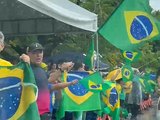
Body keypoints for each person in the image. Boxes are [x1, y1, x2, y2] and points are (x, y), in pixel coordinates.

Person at [27, 42, 78, 120]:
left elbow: (50, 79)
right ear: (29, 54)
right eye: (35, 53)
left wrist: (62, 69)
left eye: (40, 52)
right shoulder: (27, 70)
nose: (38, 55)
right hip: (34, 114)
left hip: (45, 113)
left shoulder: (40, 70)